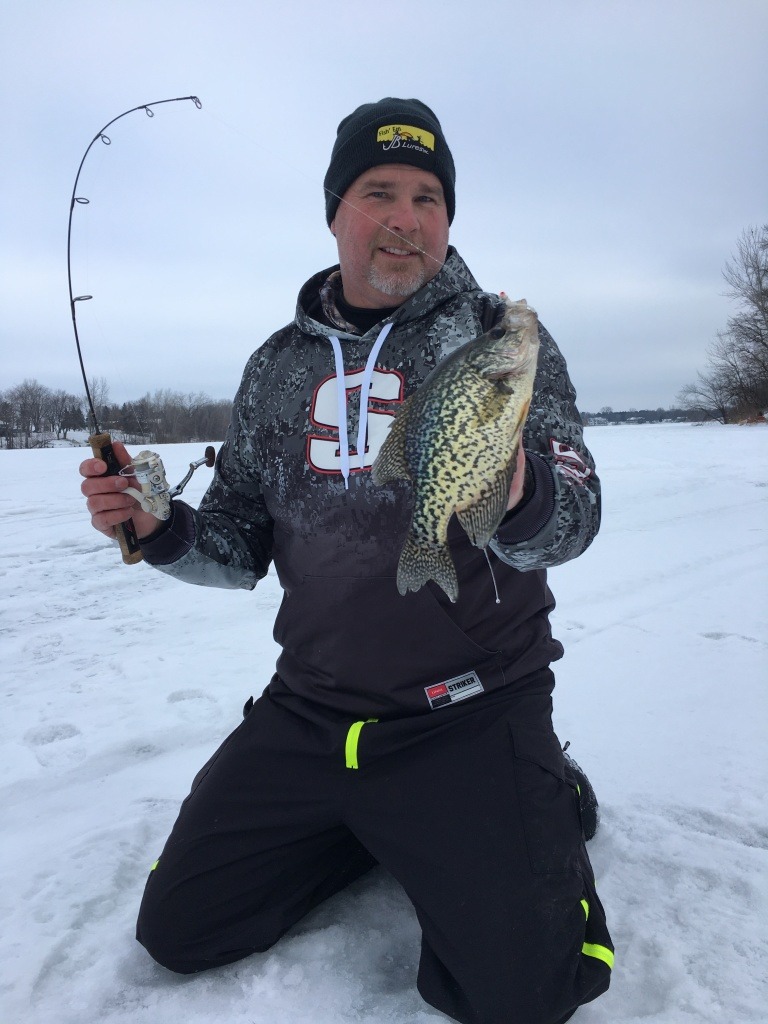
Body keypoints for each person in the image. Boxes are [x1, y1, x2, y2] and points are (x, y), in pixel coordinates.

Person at [80, 98, 613, 1024]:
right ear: (336, 211)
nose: (407, 218)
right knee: (181, 932)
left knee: (522, 994)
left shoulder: (497, 340)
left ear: (448, 218)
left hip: (471, 712)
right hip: (313, 709)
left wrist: (514, 485)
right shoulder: (276, 368)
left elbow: (575, 516)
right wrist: (157, 525)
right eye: (380, 193)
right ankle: (376, 824)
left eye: (429, 197)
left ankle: (543, 791)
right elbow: (240, 544)